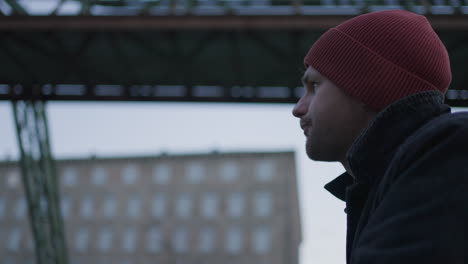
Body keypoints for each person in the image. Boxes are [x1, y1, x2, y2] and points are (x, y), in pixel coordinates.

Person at [293, 9, 468, 264]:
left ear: (369, 85)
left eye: (315, 86)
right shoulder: (388, 180)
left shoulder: (449, 147)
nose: (298, 108)